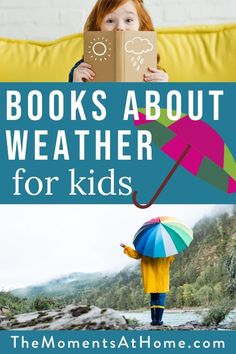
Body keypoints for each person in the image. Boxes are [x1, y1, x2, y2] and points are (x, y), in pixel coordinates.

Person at [69, 0, 168, 83]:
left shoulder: (154, 71)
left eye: (128, 20)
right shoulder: (81, 71)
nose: (120, 27)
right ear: (98, 27)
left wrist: (163, 89)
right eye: (110, 21)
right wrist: (76, 87)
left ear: (140, 25)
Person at [120, 243, 174, 326]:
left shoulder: (146, 249)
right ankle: (159, 321)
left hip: (151, 278)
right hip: (162, 278)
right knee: (161, 299)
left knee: (153, 298)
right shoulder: (166, 251)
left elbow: (135, 254)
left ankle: (154, 321)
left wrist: (126, 247)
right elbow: (170, 260)